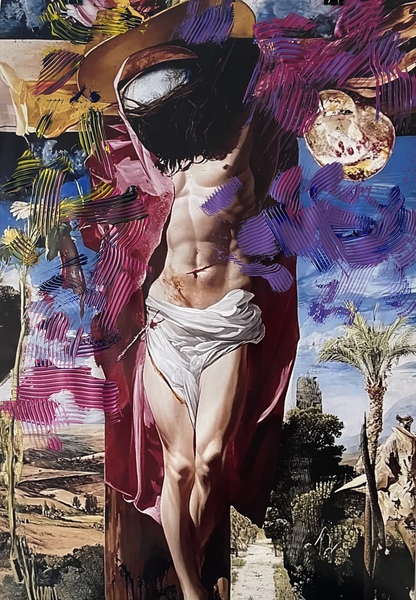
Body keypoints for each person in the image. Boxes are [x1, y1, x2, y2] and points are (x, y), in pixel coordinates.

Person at [78, 1, 299, 598]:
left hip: (227, 324)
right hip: (169, 322)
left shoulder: (237, 147)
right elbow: (124, 114)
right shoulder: (165, 167)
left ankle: (193, 567)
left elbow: (264, 75)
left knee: (210, 460)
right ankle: (193, 589)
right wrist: (125, 59)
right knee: (177, 464)